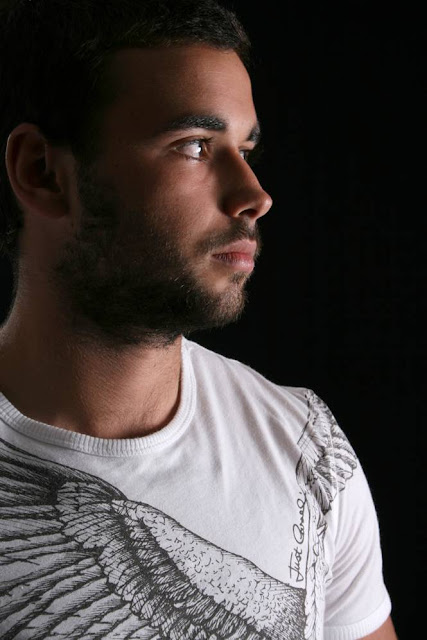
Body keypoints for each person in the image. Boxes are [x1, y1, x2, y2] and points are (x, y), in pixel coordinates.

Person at [0, 0, 397, 638]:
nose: (254, 195)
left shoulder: (307, 450)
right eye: (194, 146)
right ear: (42, 173)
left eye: (246, 149)